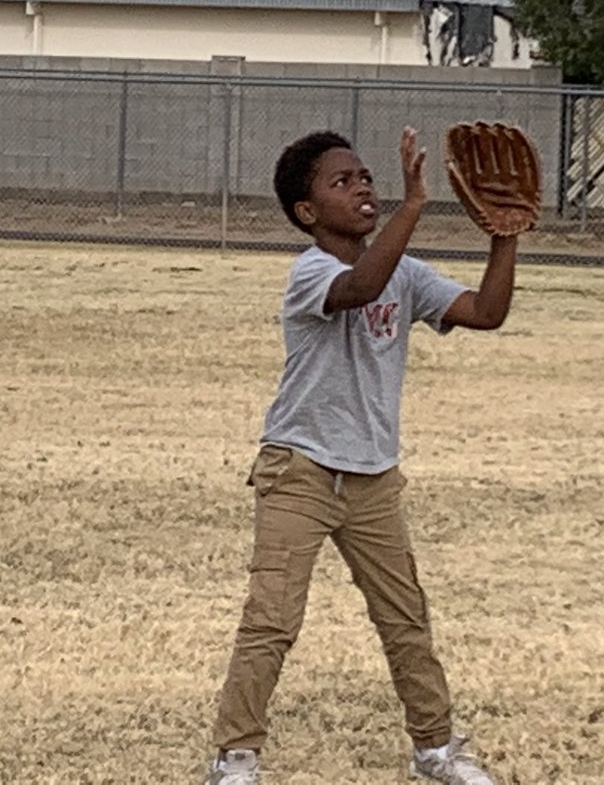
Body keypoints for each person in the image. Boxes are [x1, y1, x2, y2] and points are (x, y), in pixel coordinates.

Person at [206, 126, 519, 784]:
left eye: (366, 177)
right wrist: (412, 206)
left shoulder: (404, 272)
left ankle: (435, 749)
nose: (363, 187)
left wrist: (504, 235)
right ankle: (236, 755)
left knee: (406, 621)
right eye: (341, 181)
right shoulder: (313, 271)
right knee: (272, 619)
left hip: (374, 475)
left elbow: (486, 312)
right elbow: (359, 290)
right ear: (307, 213)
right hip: (300, 467)